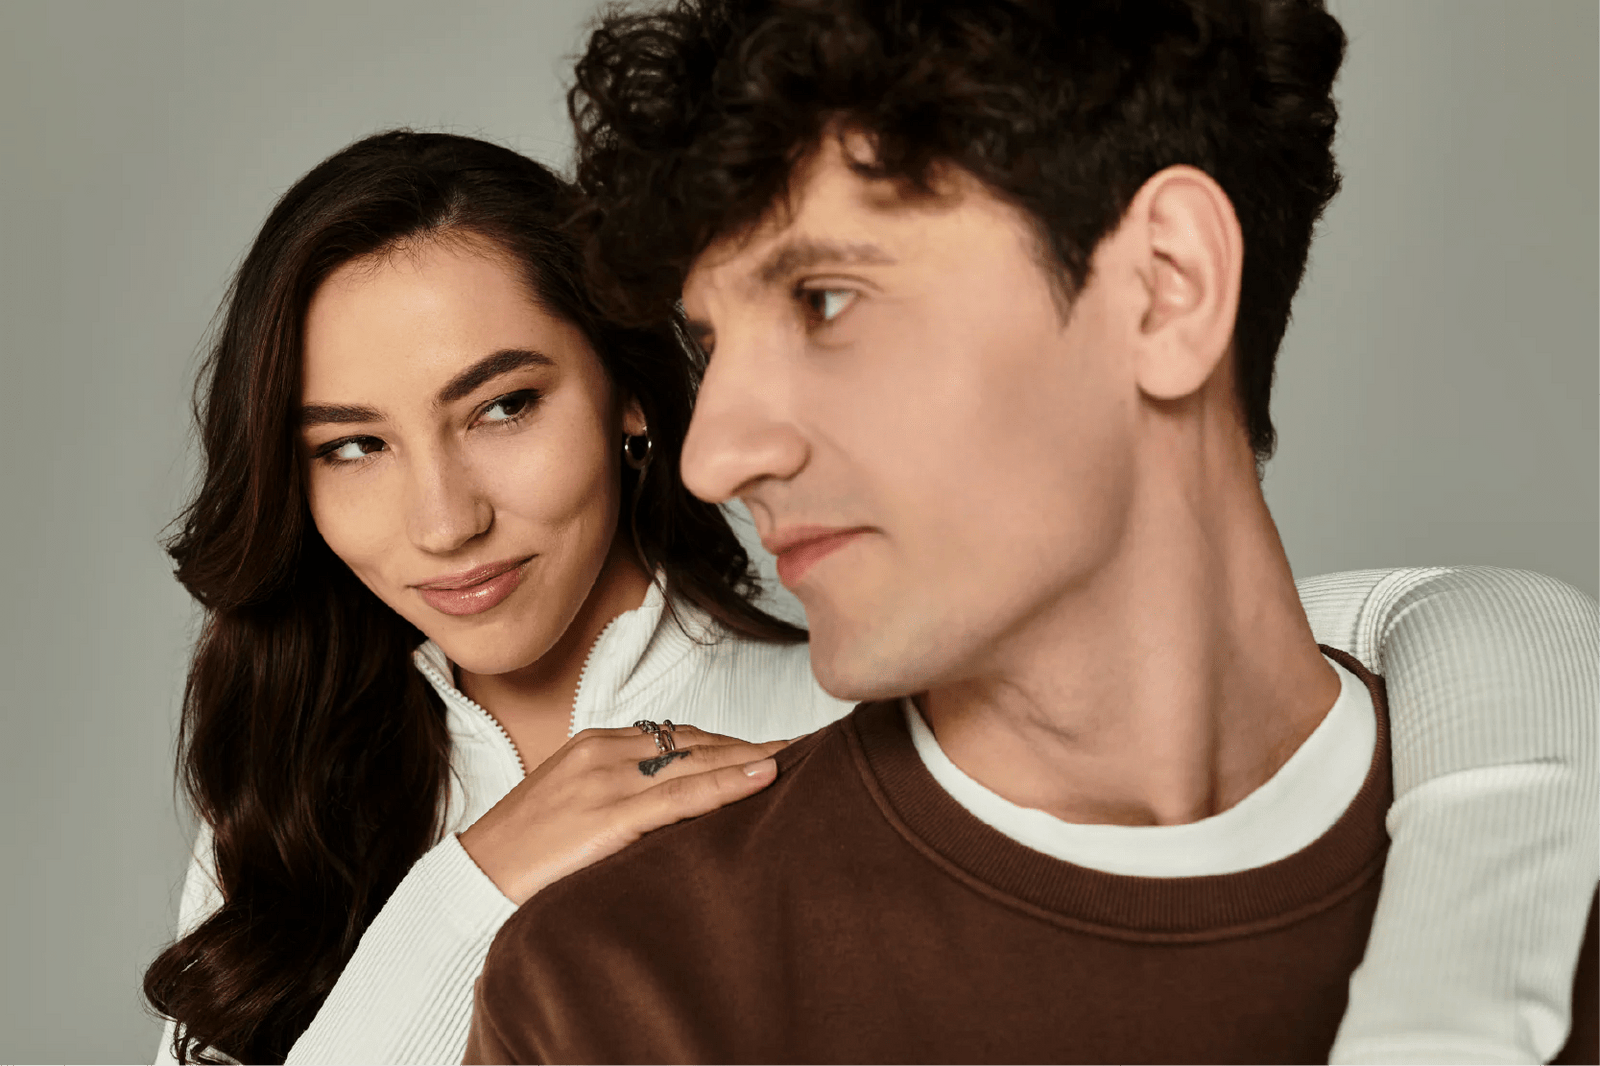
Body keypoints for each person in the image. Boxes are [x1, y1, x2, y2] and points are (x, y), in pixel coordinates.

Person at [464, 2, 1600, 1064]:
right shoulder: (620, 992)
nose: (715, 456)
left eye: (824, 300)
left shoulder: (1562, 856)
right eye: (711, 346)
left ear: (1166, 286)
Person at [145, 130, 853, 1066]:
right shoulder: (291, 799)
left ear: (627, 391)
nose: (445, 524)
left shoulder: (845, 731)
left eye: (503, 406)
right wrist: (473, 887)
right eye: (354, 447)